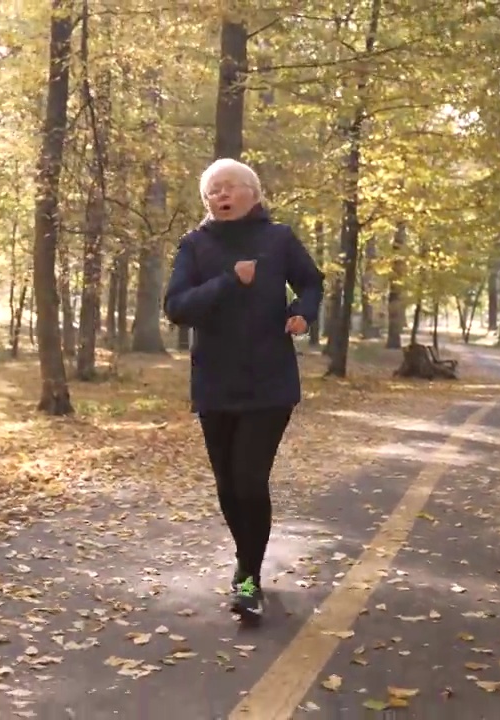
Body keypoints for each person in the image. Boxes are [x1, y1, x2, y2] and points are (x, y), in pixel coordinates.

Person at [163, 158, 325, 617]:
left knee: (250, 480)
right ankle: (245, 562)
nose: (221, 194)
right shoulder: (194, 245)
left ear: (253, 193)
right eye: (213, 190)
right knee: (228, 487)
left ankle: (249, 578)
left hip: (270, 381)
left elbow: (312, 282)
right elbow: (176, 306)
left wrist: (303, 312)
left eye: (230, 186)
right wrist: (229, 281)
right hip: (215, 381)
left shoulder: (279, 239)